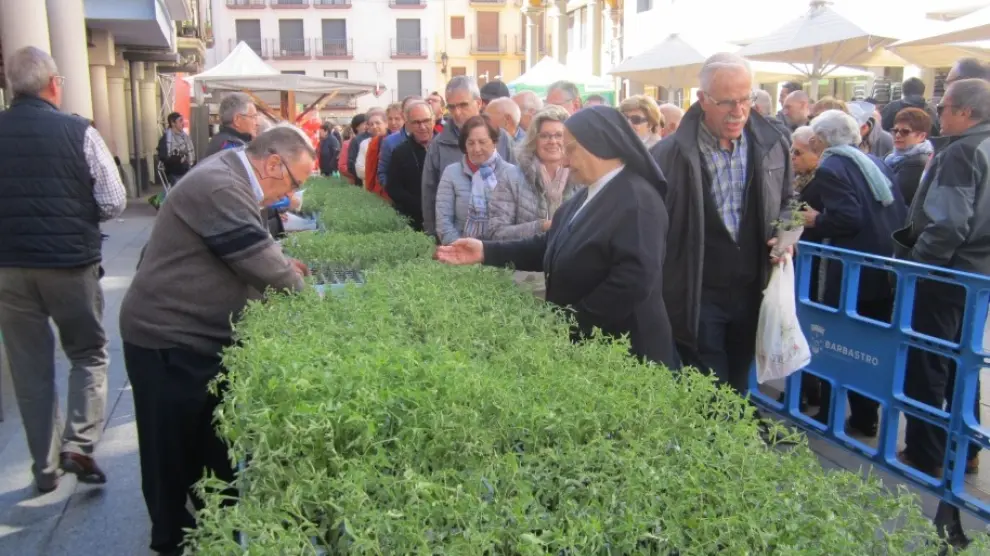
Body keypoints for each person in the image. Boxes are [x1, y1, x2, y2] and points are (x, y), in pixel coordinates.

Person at [119, 127, 312, 555]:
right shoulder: (221, 184)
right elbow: (266, 267)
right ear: (273, 164)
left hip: (200, 338)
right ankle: (169, 541)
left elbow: (252, 253)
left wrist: (278, 264)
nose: (292, 194)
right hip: (167, 338)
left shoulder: (232, 175)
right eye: (295, 183)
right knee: (168, 454)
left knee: (212, 450)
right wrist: (313, 304)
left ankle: (214, 535)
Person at [437, 106, 677, 368]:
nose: (563, 160)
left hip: (629, 353)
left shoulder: (638, 199)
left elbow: (633, 281)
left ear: (597, 145)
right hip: (592, 346)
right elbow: (550, 244)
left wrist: (568, 322)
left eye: (570, 149)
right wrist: (485, 251)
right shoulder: (590, 193)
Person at [0, 45, 127, 493]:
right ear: (55, 83)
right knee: (88, 352)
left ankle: (45, 467)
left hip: (8, 269)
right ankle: (79, 443)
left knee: (29, 368)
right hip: (71, 264)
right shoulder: (79, 132)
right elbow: (113, 200)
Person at [650, 52, 793, 396]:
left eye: (745, 99)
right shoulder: (667, 155)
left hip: (753, 290)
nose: (738, 111)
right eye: (726, 102)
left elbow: (789, 203)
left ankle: (730, 444)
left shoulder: (773, 145)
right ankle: (715, 446)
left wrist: (787, 235)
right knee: (709, 390)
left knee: (740, 386)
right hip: (696, 295)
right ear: (702, 100)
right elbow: (651, 228)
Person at [895, 78, 990, 478]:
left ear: (966, 113)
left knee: (929, 361)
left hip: (948, 273)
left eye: (946, 107)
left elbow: (949, 223)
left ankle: (926, 451)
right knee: (963, 363)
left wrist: (919, 260)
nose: (940, 114)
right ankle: (966, 450)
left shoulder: (962, 151)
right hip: (977, 275)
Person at [798, 109, 907, 436]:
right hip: (883, 268)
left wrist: (816, 220)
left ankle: (831, 416)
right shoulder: (875, 161)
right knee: (869, 345)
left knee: (839, 341)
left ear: (818, 140)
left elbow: (848, 218)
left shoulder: (831, 166)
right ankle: (864, 417)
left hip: (852, 271)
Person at [489, 106, 577, 297]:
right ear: (534, 140)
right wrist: (543, 226)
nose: (552, 141)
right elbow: (496, 233)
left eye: (559, 135)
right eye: (545, 135)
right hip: (523, 284)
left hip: (570, 281)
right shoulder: (511, 177)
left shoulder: (582, 177)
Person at [422, 76, 516, 242]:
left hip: (500, 243)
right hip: (455, 241)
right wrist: (433, 236)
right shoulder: (439, 143)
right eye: (452, 107)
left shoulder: (502, 138)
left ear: (478, 103)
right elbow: (429, 192)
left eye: (463, 105)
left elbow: (517, 188)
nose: (457, 113)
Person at [435, 115, 521, 244]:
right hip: (460, 253)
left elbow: (519, 222)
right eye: (471, 143)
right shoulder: (451, 173)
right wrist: (462, 250)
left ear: (494, 141)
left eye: (482, 142)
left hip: (501, 254)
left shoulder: (512, 174)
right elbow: (444, 222)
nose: (476, 149)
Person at [386, 100, 435, 231]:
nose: (423, 127)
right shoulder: (400, 152)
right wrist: (420, 204)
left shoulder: (444, 147)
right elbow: (393, 188)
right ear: (408, 124)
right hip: (414, 220)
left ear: (433, 120)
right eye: (417, 122)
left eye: (426, 121)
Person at [884, 107, 933, 205]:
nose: (897, 135)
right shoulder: (891, 156)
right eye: (895, 130)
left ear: (922, 136)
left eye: (905, 132)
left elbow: (894, 193)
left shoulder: (918, 163)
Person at [377, 96, 421, 189]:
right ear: (404, 114)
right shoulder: (389, 141)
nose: (393, 123)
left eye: (397, 119)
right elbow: (382, 172)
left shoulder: (433, 138)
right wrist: (394, 191)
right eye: (390, 119)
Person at [203, 92, 258, 157]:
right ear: (237, 120)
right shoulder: (231, 146)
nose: (256, 123)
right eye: (253, 117)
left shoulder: (223, 140)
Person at [356, 110, 388, 199]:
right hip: (371, 191)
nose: (374, 126)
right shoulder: (365, 143)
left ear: (386, 124)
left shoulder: (394, 142)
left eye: (378, 123)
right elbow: (359, 169)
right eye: (371, 124)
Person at [157, 112, 195, 184]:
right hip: (175, 172)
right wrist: (178, 159)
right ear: (173, 123)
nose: (183, 123)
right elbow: (163, 157)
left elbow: (191, 155)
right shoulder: (165, 140)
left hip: (187, 169)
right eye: (180, 121)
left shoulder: (185, 137)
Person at [790, 126, 818, 193]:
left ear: (816, 153)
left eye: (797, 152)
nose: (792, 157)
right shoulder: (799, 175)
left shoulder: (821, 182)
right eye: (791, 151)